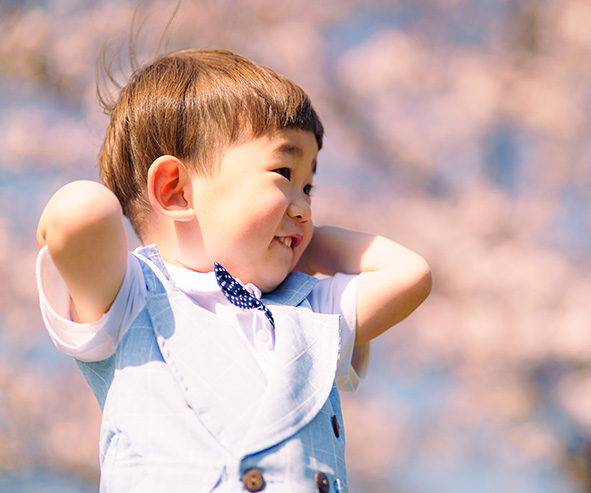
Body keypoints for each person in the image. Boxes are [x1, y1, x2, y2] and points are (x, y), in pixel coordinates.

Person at [35, 49, 432, 492]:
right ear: (175, 191)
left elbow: (409, 275)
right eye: (283, 172)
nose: (303, 207)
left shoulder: (306, 310)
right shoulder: (129, 299)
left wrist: (305, 241)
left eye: (309, 186)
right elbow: (78, 217)